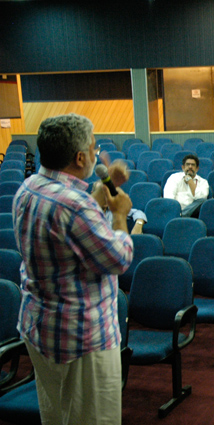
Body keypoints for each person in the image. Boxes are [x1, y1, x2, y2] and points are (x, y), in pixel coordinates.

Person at [12, 113, 134, 425]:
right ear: (80, 157)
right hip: (81, 339)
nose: (97, 153)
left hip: (42, 329)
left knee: (58, 415)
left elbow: (70, 220)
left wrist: (102, 192)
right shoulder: (75, 206)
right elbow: (117, 259)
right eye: (94, 148)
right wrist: (120, 216)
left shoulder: (28, 188)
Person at [163, 153, 210, 218]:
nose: (190, 166)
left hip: (194, 215)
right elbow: (169, 198)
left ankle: (183, 216)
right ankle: (181, 216)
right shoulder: (174, 178)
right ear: (183, 167)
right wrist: (176, 212)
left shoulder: (203, 182)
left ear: (197, 169)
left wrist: (190, 180)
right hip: (176, 213)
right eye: (187, 164)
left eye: (193, 165)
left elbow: (200, 198)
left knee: (203, 201)